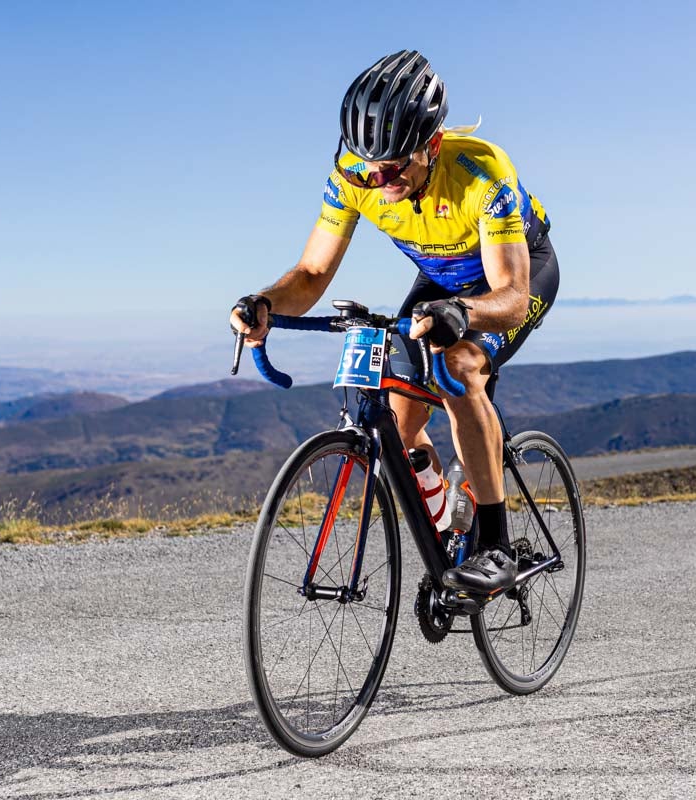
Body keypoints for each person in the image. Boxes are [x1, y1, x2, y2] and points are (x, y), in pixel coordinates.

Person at [229, 50, 559, 597]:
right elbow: (311, 274)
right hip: (440, 284)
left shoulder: (482, 173)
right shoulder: (356, 175)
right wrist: (264, 302)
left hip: (512, 277)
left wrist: (465, 314)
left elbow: (512, 295)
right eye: (369, 164)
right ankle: (448, 534)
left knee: (459, 369)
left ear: (431, 146)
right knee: (400, 428)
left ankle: (495, 545)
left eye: (393, 166)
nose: (378, 178)